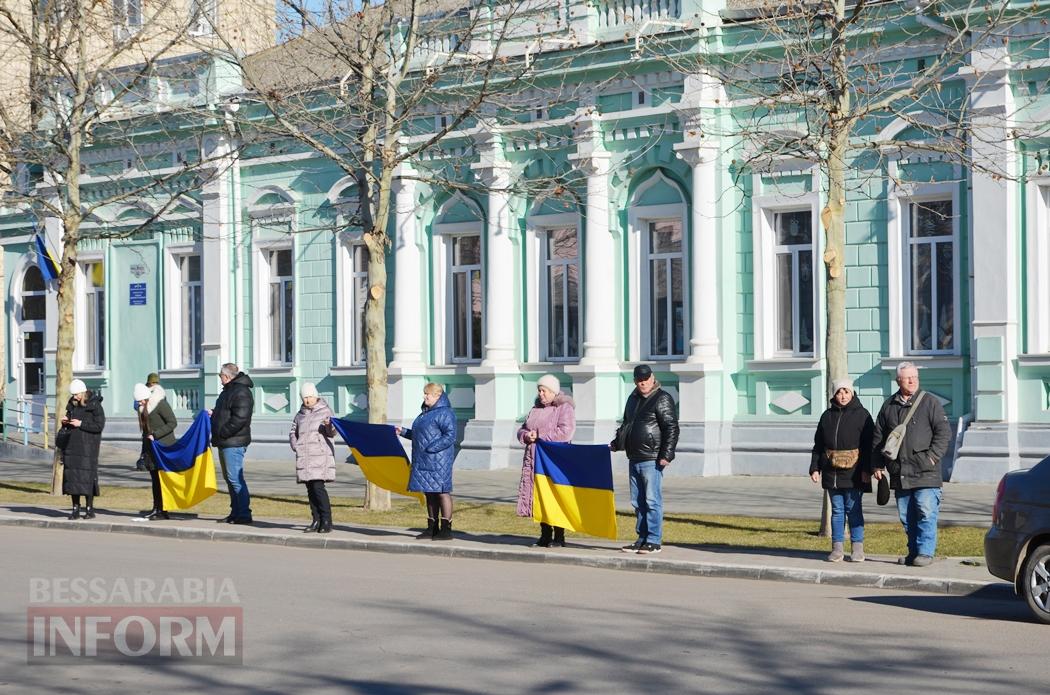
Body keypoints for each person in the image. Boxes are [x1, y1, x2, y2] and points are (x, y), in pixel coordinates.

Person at [872, 362, 952, 567]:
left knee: (926, 512)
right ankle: (913, 552)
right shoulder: (888, 406)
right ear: (898, 380)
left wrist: (932, 457)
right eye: (908, 378)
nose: (912, 380)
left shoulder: (930, 402)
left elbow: (944, 434)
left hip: (926, 471)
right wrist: (877, 465)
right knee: (907, 516)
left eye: (915, 377)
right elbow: (878, 437)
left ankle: (925, 552)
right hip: (900, 472)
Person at [611, 364, 679, 555]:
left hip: (652, 458)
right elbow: (626, 425)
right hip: (634, 457)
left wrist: (667, 454)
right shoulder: (632, 399)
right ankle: (641, 538)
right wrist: (616, 443)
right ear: (635, 381)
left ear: (652, 378)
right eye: (640, 381)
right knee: (637, 501)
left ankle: (654, 540)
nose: (643, 383)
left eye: (646, 380)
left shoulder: (662, 398)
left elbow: (671, 428)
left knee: (651, 500)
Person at [809, 379, 875, 562]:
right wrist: (815, 467)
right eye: (839, 392)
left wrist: (867, 469)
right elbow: (818, 445)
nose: (843, 395)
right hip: (832, 473)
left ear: (852, 393)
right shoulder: (826, 416)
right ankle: (837, 549)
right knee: (837, 511)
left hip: (855, 473)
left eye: (846, 391)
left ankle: (857, 548)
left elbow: (869, 445)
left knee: (853, 509)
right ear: (834, 394)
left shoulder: (862, 415)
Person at [516, 374, 576, 547]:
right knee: (540, 496)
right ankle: (545, 534)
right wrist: (527, 435)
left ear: (553, 391)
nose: (540, 394)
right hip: (535, 459)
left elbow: (566, 432)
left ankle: (559, 536)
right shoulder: (535, 408)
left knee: (555, 496)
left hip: (554, 460)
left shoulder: (564, 407)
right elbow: (522, 429)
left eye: (544, 390)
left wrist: (541, 436)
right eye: (539, 390)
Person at [397, 383, 457, 540]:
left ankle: (446, 529)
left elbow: (450, 435)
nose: (424, 397)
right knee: (429, 492)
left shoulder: (445, 412)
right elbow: (420, 436)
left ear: (437, 396)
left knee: (442, 492)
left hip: (439, 460)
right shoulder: (424, 413)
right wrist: (402, 432)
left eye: (427, 394)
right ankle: (431, 528)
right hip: (424, 459)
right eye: (424, 394)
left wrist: (431, 448)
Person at [209, 363, 255, 525]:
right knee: (230, 479)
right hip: (226, 441)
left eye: (220, 375)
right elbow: (226, 413)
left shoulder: (241, 392)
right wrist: (213, 415)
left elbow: (240, 418)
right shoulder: (228, 391)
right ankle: (235, 512)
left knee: (235, 479)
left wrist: (223, 432)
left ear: (227, 376)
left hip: (233, 442)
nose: (220, 378)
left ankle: (243, 514)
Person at [289, 382, 336, 534]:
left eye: (310, 397)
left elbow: (332, 432)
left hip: (319, 455)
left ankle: (326, 520)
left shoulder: (325, 411)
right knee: (310, 489)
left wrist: (329, 425)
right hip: (304, 456)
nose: (308, 400)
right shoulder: (300, 414)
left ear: (315, 396)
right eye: (305, 397)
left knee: (318, 487)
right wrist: (296, 445)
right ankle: (316, 520)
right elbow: (293, 432)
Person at [59, 379, 106, 520]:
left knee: (86, 478)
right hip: (71, 445)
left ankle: (89, 508)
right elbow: (68, 416)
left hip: (88, 447)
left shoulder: (95, 405)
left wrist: (81, 424)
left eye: (77, 394)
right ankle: (75, 508)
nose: (75, 397)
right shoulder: (72, 404)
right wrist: (65, 420)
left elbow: (99, 426)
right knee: (72, 478)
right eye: (73, 394)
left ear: (83, 392)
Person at [134, 382, 178, 520]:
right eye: (138, 401)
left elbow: (172, 423)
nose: (140, 403)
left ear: (147, 396)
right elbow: (145, 432)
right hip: (151, 448)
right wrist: (143, 452)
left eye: (141, 400)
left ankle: (163, 509)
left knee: (162, 480)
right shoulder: (143, 408)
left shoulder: (160, 404)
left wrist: (156, 434)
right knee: (155, 480)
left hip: (164, 447)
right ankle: (156, 508)